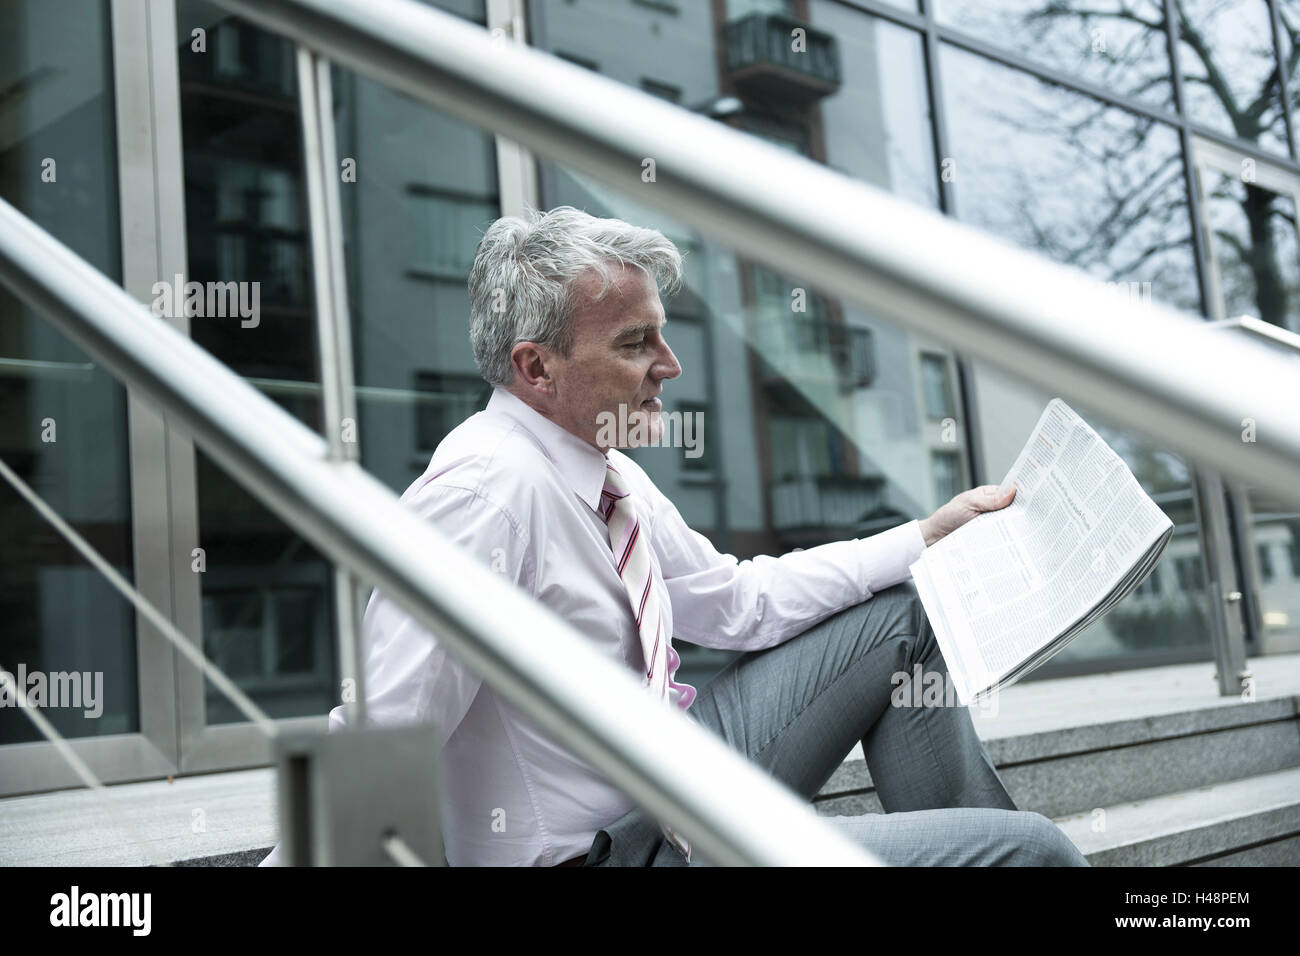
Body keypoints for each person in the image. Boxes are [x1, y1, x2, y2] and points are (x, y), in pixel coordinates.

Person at [260, 205, 1088, 867]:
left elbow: (735, 601)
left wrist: (924, 536)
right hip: (608, 851)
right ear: (535, 367)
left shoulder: (603, 464)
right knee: (1036, 853)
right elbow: (382, 731)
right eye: (634, 343)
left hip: (669, 777)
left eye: (661, 331)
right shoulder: (486, 495)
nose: (671, 363)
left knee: (903, 620)